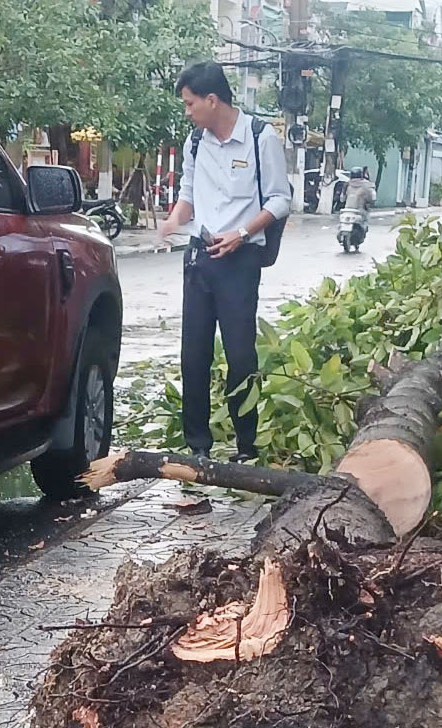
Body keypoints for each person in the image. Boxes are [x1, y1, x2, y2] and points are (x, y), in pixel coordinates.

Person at [157, 62, 290, 464]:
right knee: (193, 354)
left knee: (240, 355)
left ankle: (246, 446)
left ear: (212, 100)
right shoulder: (196, 141)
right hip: (200, 258)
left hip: (240, 259)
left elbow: (280, 200)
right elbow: (189, 195)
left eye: (190, 103)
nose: (187, 111)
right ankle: (197, 447)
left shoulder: (259, 137)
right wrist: (172, 221)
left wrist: (243, 234)